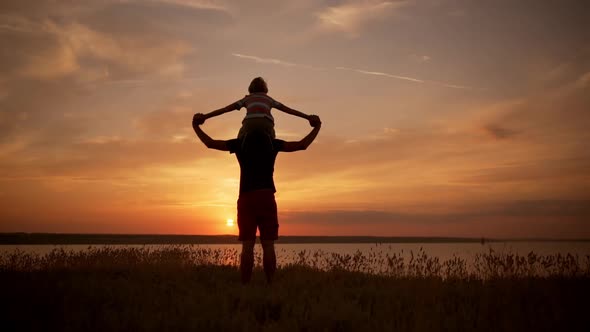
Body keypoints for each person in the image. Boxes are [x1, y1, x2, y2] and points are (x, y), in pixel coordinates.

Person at [192, 112, 321, 284]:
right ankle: (271, 286)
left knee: (247, 246)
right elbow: (302, 145)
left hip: (246, 198)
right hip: (266, 196)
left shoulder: (240, 143)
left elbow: (210, 143)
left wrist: (196, 126)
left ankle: (245, 287)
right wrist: (317, 127)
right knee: (268, 245)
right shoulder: (272, 143)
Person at [197, 77, 312, 139]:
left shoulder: (247, 99)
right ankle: (271, 145)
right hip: (266, 123)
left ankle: (240, 147)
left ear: (250, 88)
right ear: (265, 89)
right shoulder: (269, 99)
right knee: (271, 138)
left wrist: (206, 117)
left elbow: (225, 109)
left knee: (240, 137)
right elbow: (288, 110)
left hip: (249, 124)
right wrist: (307, 117)